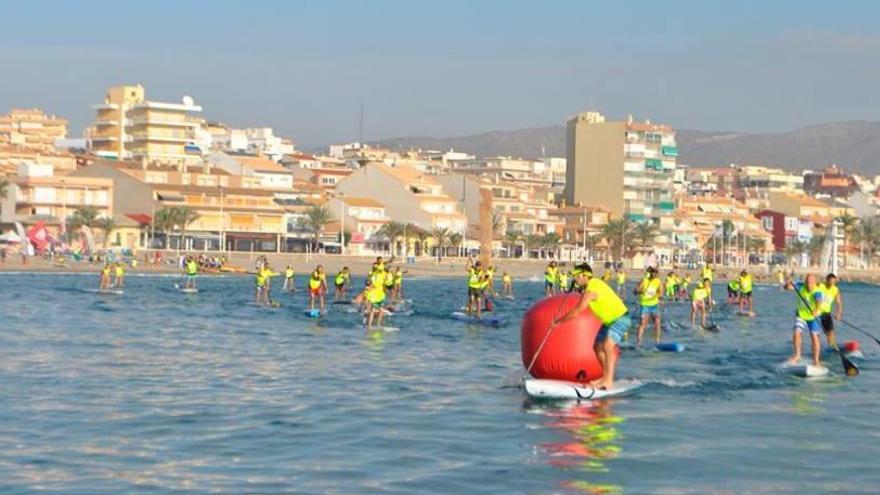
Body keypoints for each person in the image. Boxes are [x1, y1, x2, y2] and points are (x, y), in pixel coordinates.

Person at [555, 263, 631, 390]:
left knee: (607, 345)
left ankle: (609, 381)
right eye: (574, 277)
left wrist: (558, 322)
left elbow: (578, 311)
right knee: (597, 347)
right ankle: (605, 377)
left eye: (577, 277)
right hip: (609, 322)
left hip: (621, 319)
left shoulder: (592, 288)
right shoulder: (590, 286)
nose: (575, 279)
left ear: (585, 276)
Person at [784, 274, 824, 366]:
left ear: (814, 283)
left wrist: (817, 310)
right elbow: (787, 288)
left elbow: (819, 303)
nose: (808, 285)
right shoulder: (801, 287)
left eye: (810, 283)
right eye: (807, 282)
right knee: (797, 333)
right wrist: (788, 283)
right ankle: (797, 355)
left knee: (814, 337)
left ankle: (816, 360)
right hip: (801, 315)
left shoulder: (817, 292)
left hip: (814, 316)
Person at [635, 267, 664, 345]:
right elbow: (635, 291)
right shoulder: (644, 281)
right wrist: (640, 291)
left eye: (657, 273)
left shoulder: (658, 281)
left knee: (657, 322)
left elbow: (661, 292)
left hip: (654, 305)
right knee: (643, 324)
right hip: (645, 306)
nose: (656, 274)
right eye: (654, 272)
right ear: (651, 273)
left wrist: (656, 295)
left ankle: (657, 342)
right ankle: (639, 342)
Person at [818, 273, 843, 349]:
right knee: (823, 332)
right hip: (817, 312)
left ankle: (832, 347)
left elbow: (839, 303)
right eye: (830, 281)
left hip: (827, 313)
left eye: (834, 282)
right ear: (827, 280)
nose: (832, 284)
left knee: (831, 332)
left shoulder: (835, 290)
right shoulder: (820, 286)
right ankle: (819, 346)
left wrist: (838, 314)